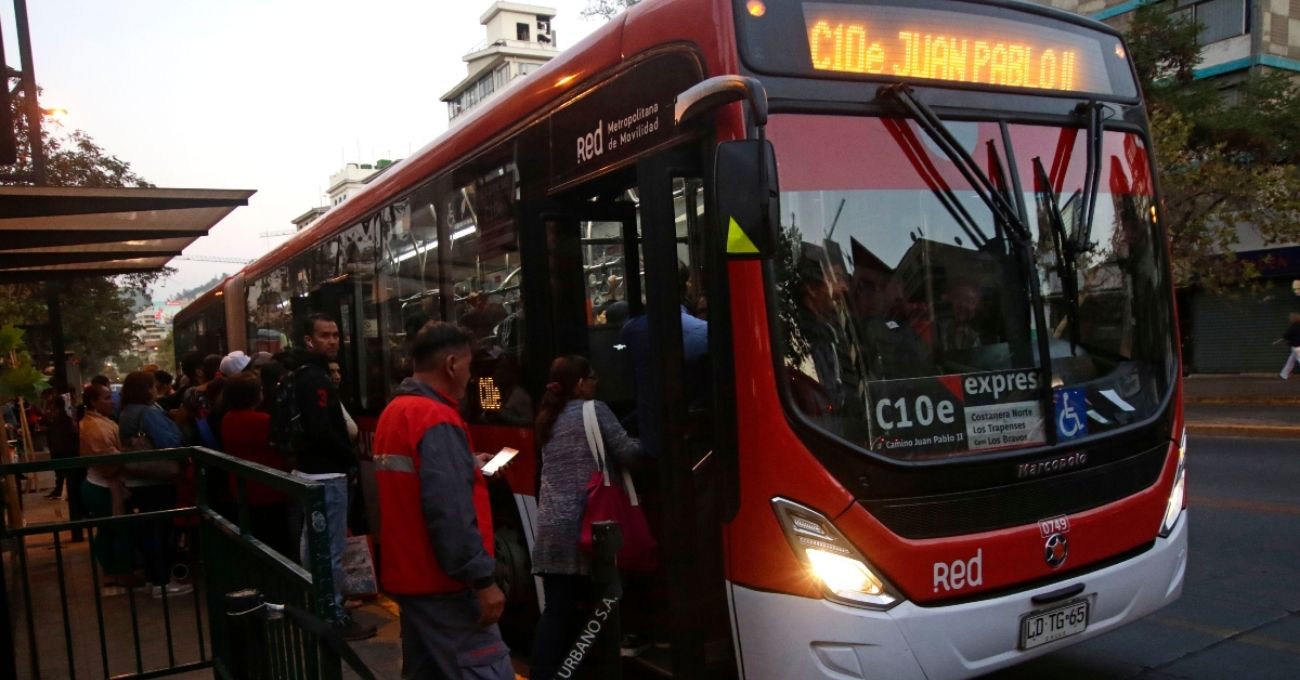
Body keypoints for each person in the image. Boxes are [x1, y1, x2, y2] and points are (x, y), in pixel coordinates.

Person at [373, 322, 512, 679]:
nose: (470, 377)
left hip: (410, 578)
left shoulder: (396, 411)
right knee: (485, 668)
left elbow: (420, 482)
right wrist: (483, 580)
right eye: (468, 366)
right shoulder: (436, 418)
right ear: (451, 364)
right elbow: (449, 511)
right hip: (445, 583)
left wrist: (464, 464)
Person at [530, 355, 644, 680]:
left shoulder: (546, 418)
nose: (597, 383)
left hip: (552, 530)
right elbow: (627, 453)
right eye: (593, 377)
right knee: (601, 612)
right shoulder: (595, 409)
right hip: (589, 528)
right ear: (581, 384)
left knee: (555, 614)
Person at [290, 313, 374, 640]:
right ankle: (334, 614)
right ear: (309, 340)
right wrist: (349, 459)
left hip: (311, 471)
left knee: (313, 546)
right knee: (329, 549)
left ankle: (319, 606)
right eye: (324, 335)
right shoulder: (315, 378)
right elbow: (322, 429)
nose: (332, 341)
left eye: (336, 335)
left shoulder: (302, 374)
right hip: (326, 474)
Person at [118, 370, 193, 599]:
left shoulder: (126, 412)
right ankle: (162, 581)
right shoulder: (148, 412)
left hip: (135, 479)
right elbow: (169, 442)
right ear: (146, 389)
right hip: (156, 479)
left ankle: (153, 578)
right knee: (161, 531)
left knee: (149, 530)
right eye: (152, 386)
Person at [219, 373, 293, 557]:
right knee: (277, 542)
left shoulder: (227, 418)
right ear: (254, 395)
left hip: (242, 489)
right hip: (271, 489)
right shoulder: (264, 421)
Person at [79, 383, 139, 596]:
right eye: (106, 398)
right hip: (103, 486)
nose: (111, 401)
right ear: (93, 402)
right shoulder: (96, 427)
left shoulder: (95, 422)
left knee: (107, 530)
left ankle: (112, 572)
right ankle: (120, 573)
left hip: (98, 485)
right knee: (119, 530)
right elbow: (108, 461)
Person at [1277, 312, 1300, 380]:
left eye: (1291, 318)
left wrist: (1282, 339)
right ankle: (1283, 375)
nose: (1289, 319)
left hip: (1297, 346)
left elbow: (1287, 335)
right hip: (1296, 347)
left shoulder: (1294, 327)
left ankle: (1283, 375)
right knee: (1290, 361)